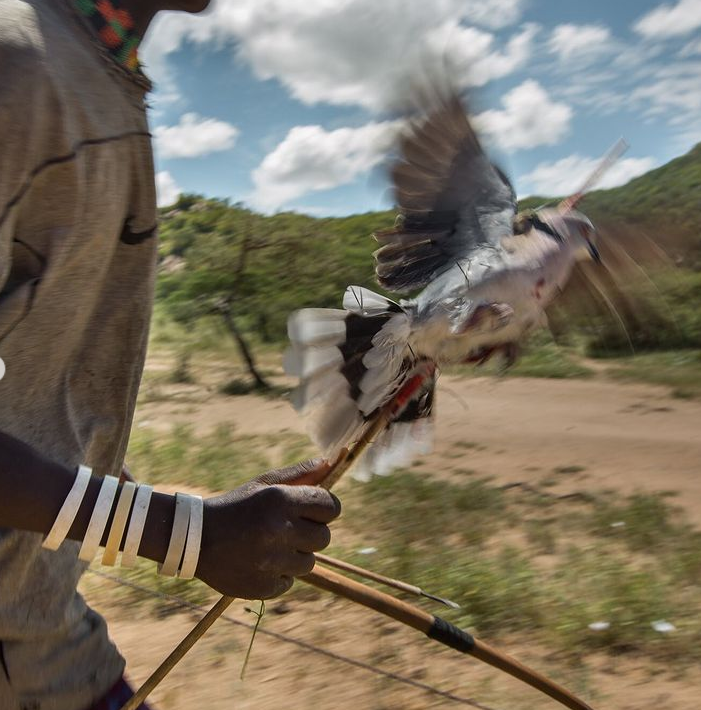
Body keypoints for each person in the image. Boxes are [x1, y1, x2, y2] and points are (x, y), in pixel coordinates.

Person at [0, 1, 341, 708]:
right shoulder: (19, 66)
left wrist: (197, 514)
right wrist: (189, 534)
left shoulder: (99, 75)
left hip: (44, 647)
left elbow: (38, 413)